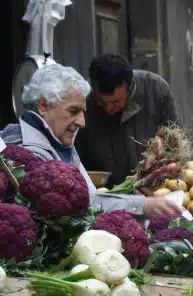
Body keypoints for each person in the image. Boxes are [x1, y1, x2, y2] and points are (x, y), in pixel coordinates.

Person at [0, 64, 181, 216]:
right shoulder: (23, 153)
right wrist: (143, 205)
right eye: (73, 111)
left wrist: (138, 202)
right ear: (43, 106)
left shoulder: (58, 140)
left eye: (82, 111)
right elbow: (81, 207)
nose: (82, 122)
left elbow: (88, 198)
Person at [75, 54, 179, 188]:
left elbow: (174, 140)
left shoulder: (156, 90)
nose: (108, 108)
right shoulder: (83, 98)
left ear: (129, 87)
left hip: (152, 189)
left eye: (115, 102)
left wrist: (158, 152)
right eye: (101, 101)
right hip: (103, 193)